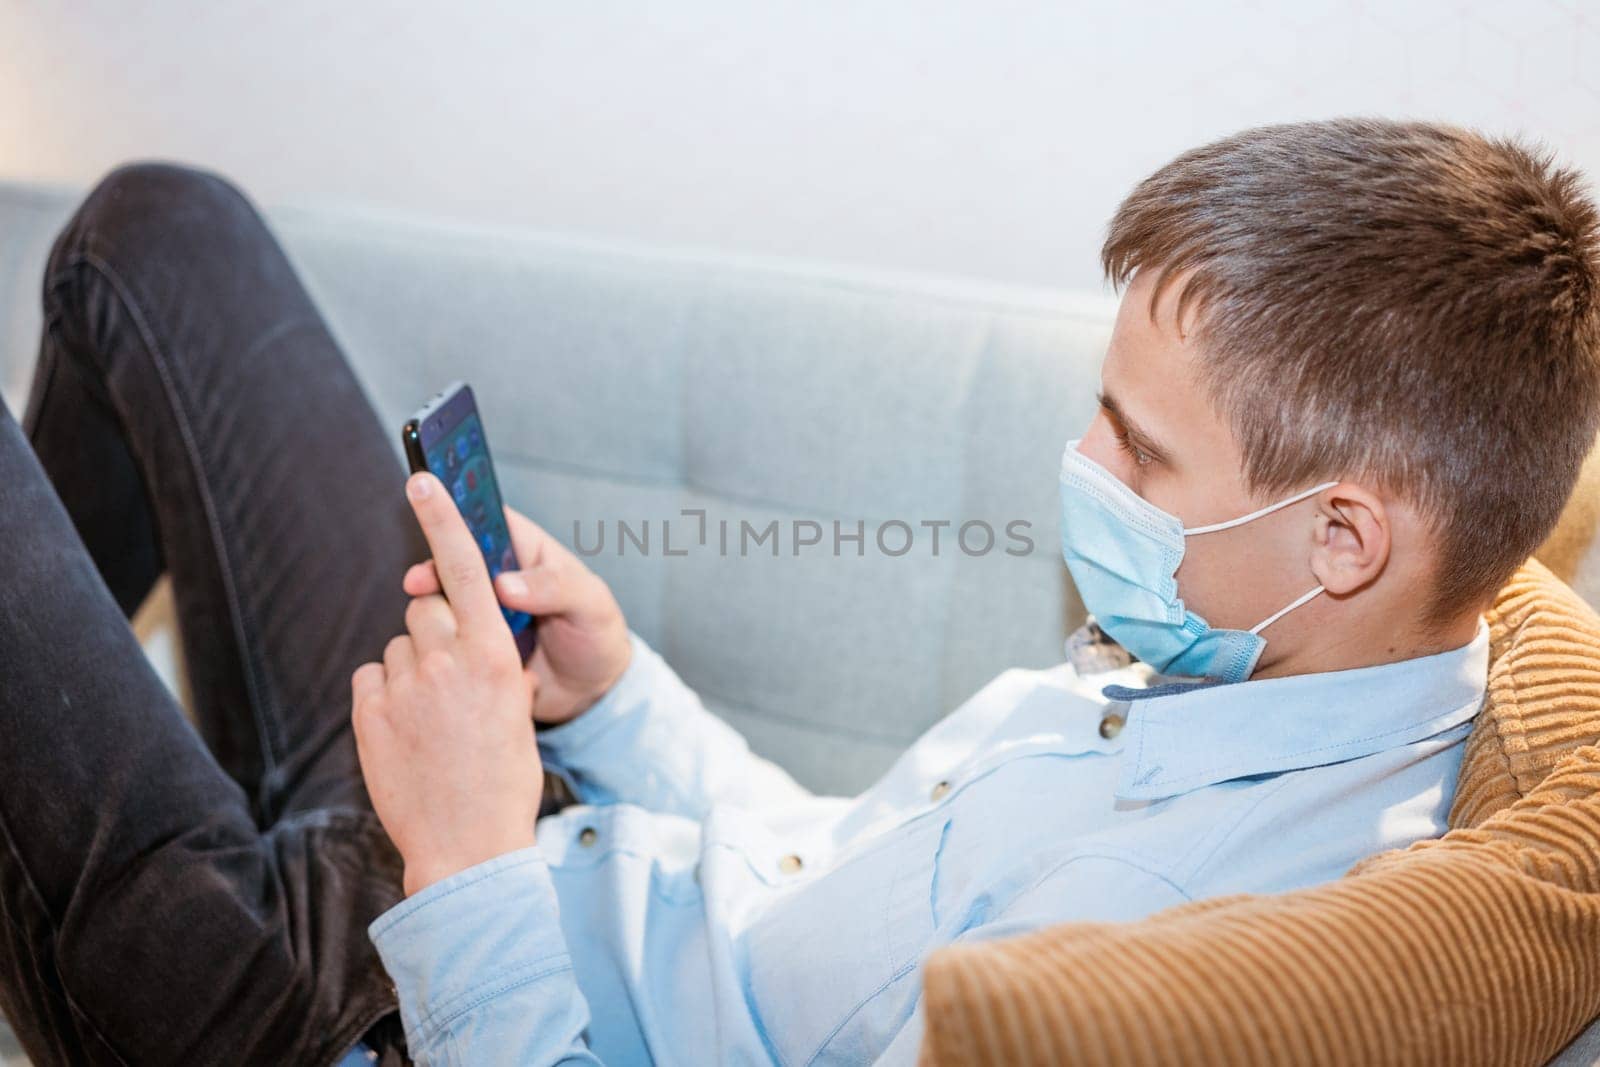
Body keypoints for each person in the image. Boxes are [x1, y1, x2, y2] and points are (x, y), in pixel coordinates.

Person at [1, 117, 1596, 1066]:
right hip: (505, 842)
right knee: (159, 229)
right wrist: (617, 698)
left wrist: (464, 863)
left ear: (1343, 541)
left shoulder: (1163, 954)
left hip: (394, 1003)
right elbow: (813, 879)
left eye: (1138, 447)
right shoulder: (1256, 656)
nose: (1082, 465)